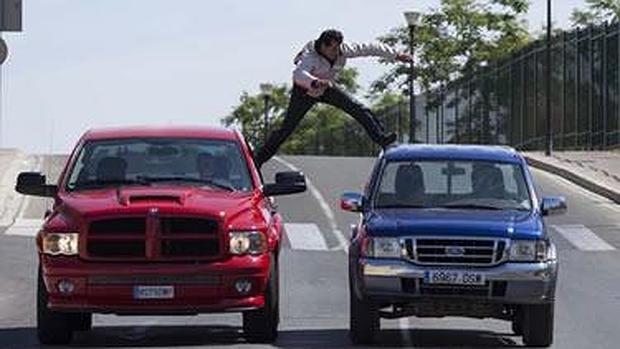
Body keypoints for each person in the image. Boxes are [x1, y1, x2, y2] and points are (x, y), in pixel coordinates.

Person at [254, 29, 412, 167]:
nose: (336, 53)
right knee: (286, 130)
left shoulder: (343, 50)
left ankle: (381, 139)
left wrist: (396, 55)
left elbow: (370, 48)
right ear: (323, 46)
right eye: (333, 49)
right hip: (304, 91)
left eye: (338, 48)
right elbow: (298, 74)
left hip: (327, 88)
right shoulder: (310, 55)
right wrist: (314, 82)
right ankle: (258, 160)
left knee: (359, 109)